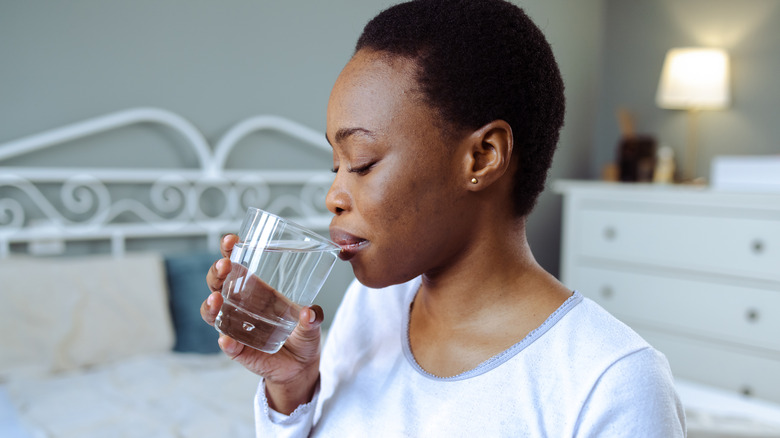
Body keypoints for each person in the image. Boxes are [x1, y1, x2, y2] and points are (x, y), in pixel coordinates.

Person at [202, 0, 687, 436]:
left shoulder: (612, 381)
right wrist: (293, 391)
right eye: (336, 165)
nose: (334, 196)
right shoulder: (371, 309)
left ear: (481, 157)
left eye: (363, 162)